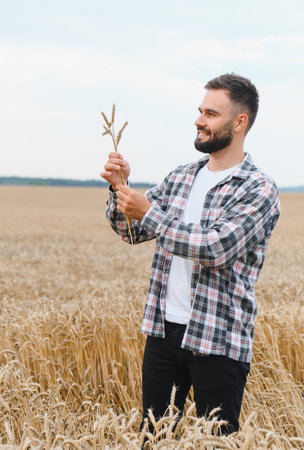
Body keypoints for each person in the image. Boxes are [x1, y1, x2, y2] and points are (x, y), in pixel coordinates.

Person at [100, 73, 280, 435]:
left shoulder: (258, 189)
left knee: (219, 441)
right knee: (153, 437)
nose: (199, 120)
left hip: (219, 338)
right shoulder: (182, 177)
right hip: (164, 332)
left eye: (211, 113)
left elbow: (215, 248)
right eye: (200, 111)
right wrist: (119, 190)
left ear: (240, 122)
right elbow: (132, 232)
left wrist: (149, 211)